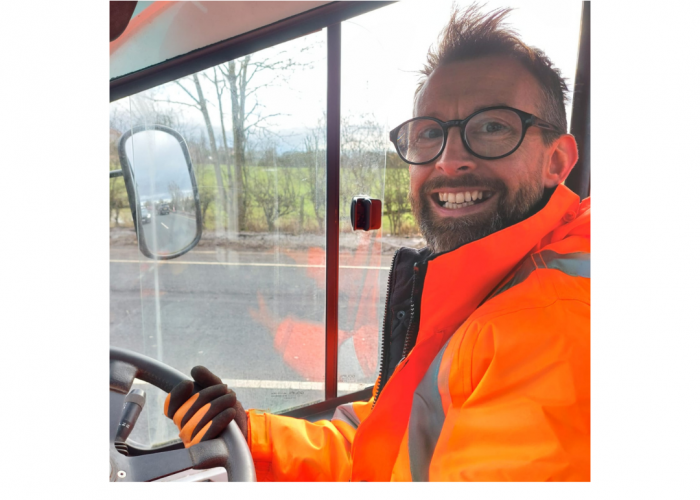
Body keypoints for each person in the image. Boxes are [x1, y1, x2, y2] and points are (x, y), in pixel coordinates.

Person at [162, 5, 590, 481]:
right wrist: (248, 434)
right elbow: (385, 451)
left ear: (558, 159)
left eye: (493, 127)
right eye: (430, 133)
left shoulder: (551, 323)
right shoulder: (491, 286)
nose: (449, 161)